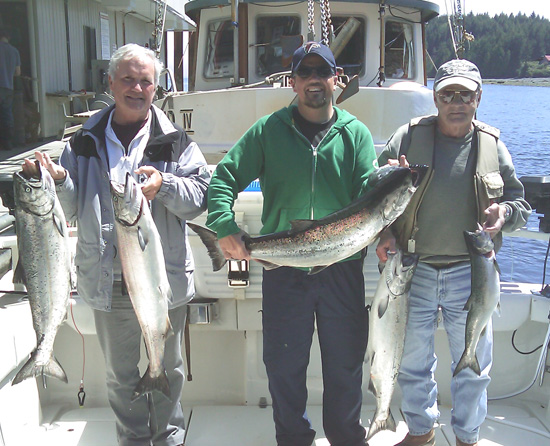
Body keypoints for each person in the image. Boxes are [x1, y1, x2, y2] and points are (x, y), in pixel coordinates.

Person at [22, 43, 211, 446]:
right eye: (128, 79)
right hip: (108, 285)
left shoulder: (176, 143)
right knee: (120, 378)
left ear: (156, 89)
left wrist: (166, 185)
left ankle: (170, 439)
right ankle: (133, 441)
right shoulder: (81, 143)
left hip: (164, 287)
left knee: (169, 369)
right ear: (110, 82)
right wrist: (58, 180)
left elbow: (201, 198)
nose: (137, 88)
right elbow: (69, 210)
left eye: (146, 81)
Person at [206, 42, 377, 446]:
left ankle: (345, 436)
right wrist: (223, 224)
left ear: (337, 79)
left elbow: (370, 196)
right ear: (294, 81)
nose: (315, 80)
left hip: (342, 269)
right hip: (283, 273)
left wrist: (392, 186)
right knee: (283, 365)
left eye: (323, 72)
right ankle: (293, 438)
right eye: (305, 73)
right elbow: (224, 177)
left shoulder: (356, 135)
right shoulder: (268, 131)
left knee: (346, 364)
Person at [376, 59, 531, 446]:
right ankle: (421, 430)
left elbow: (521, 207)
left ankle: (467, 436)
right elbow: (372, 192)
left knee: (474, 366)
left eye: (465, 94)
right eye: (448, 93)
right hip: (415, 269)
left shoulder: (493, 145)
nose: (456, 101)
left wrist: (504, 214)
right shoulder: (407, 137)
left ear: (478, 97)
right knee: (412, 361)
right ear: (435, 97)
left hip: (473, 273)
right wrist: (387, 221)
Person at [0, 28, 21, 150]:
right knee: (7, 115)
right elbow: (17, 72)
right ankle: (8, 143)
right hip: (8, 87)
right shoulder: (14, 51)